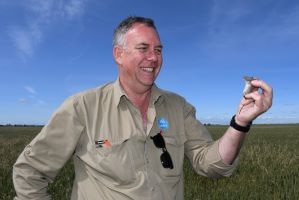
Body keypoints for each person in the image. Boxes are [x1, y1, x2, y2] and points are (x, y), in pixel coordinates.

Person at [13, 16, 273, 200]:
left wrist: (241, 122)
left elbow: (210, 164)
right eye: (143, 48)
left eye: (158, 49)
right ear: (118, 54)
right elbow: (30, 171)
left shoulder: (178, 107)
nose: (153, 57)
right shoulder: (83, 107)